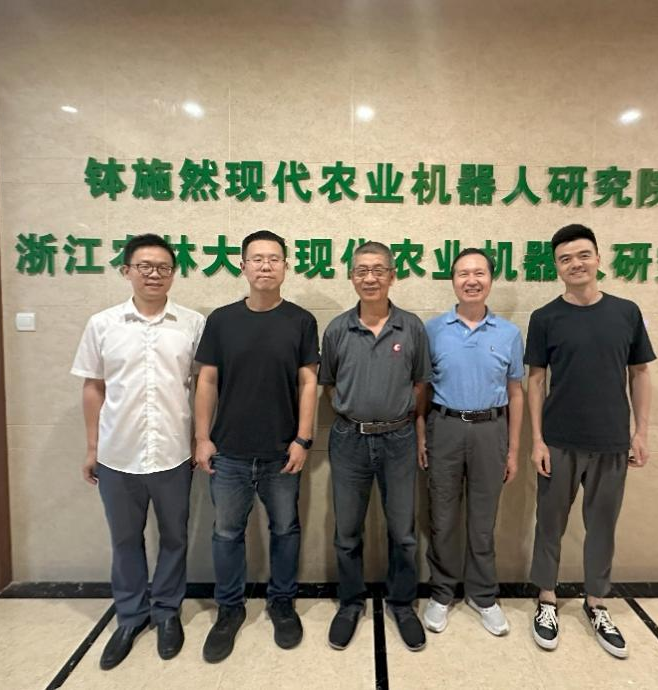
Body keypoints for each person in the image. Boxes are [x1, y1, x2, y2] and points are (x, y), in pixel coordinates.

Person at [70, 233, 205, 670]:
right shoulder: (102, 324)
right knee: (125, 540)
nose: (154, 274)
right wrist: (92, 447)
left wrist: (200, 437)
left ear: (173, 273)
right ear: (126, 270)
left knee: (174, 538)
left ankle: (167, 613)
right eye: (144, 266)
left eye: (163, 267)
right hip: (117, 455)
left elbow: (204, 385)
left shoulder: (192, 324)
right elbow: (93, 387)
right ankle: (130, 617)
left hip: (173, 453)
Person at [525, 224, 655, 659]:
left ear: (599, 258)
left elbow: (640, 373)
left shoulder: (626, 313)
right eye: (565, 259)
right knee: (549, 524)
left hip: (611, 441)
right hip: (558, 441)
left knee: (602, 526)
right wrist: (537, 440)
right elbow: (535, 381)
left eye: (583, 255)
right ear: (556, 267)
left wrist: (641, 432)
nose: (575, 264)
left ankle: (596, 603)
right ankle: (546, 599)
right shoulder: (545, 318)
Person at [193, 230, 319, 663]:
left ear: (286, 266)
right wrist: (202, 438)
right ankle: (229, 610)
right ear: (242, 265)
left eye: (274, 259)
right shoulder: (221, 320)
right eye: (257, 259)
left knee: (285, 530)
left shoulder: (301, 321)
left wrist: (303, 438)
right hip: (228, 452)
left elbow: (308, 382)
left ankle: (282, 603)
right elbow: (207, 380)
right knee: (226, 533)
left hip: (282, 451)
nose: (266, 266)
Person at [319, 241, 431, 652]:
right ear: (351, 277)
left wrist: (405, 422)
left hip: (399, 439)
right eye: (362, 270)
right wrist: (356, 413)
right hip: (349, 439)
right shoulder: (337, 329)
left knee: (403, 532)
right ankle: (350, 603)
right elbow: (328, 385)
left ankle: (402, 603)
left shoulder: (412, 327)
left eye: (378, 270)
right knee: (347, 531)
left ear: (392, 275)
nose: (370, 278)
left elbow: (420, 384)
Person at [417, 248, 524, 637]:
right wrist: (421, 434)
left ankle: (483, 595)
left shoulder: (509, 334)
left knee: (482, 520)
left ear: (491, 280)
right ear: (453, 281)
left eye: (479, 273)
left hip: (490, 430)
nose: (471, 280)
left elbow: (516, 392)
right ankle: (442, 592)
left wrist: (513, 449)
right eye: (463, 273)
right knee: (442, 517)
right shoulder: (432, 330)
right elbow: (422, 389)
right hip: (444, 426)